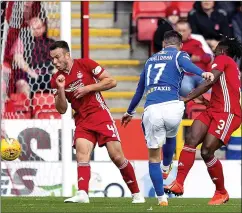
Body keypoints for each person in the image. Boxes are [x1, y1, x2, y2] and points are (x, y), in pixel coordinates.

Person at [121, 30, 214, 206]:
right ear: (180, 45)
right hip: (173, 106)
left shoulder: (149, 61)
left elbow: (139, 91)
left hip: (152, 108)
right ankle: (166, 166)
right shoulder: (180, 54)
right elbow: (187, 65)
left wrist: (129, 111)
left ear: (163, 44)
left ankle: (161, 198)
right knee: (171, 134)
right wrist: (203, 73)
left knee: (153, 157)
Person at [49, 41, 145, 204]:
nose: (55, 62)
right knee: (81, 153)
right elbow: (62, 109)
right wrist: (60, 89)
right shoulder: (56, 79)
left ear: (67, 55)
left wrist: (88, 88)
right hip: (82, 119)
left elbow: (111, 81)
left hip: (100, 114)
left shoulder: (85, 64)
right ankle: (82, 193)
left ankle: (136, 194)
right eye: (52, 59)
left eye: (57, 57)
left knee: (117, 156)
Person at [164, 36, 242, 205]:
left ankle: (221, 192)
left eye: (217, 45)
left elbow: (209, 81)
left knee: (207, 151)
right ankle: (179, 183)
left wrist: (187, 98)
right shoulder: (228, 64)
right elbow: (221, 87)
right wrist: (205, 100)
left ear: (223, 49)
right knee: (191, 138)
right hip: (213, 109)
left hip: (227, 113)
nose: (214, 48)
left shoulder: (222, 59)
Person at [176, 21, 212, 97]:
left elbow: (208, 58)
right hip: (184, 75)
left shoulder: (197, 42)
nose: (181, 33)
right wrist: (191, 59)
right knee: (185, 89)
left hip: (202, 74)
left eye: (184, 30)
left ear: (189, 31)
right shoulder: (174, 45)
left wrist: (199, 58)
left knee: (211, 88)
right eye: (179, 30)